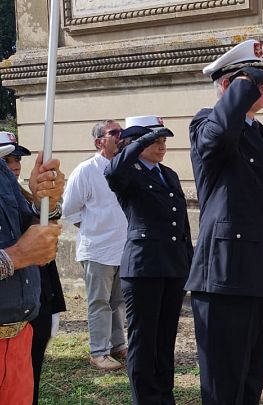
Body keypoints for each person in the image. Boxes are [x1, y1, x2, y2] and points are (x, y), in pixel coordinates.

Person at [188, 39, 263, 404]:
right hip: (225, 279)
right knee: (223, 389)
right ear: (229, 86)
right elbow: (217, 136)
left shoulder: (260, 134)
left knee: (248, 385)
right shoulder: (206, 124)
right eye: (254, 80)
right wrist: (241, 86)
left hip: (260, 274)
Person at [0, 68, 65, 405]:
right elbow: (22, 250)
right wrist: (15, 256)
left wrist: (46, 202)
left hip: (18, 343)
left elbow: (29, 229)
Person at [104, 116, 192, 404]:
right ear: (135, 143)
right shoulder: (128, 172)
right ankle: (145, 399)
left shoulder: (168, 174)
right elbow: (112, 170)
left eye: (163, 140)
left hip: (173, 265)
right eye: (154, 141)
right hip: (144, 267)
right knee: (144, 340)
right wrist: (139, 141)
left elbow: (182, 224)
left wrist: (189, 263)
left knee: (165, 339)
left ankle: (164, 396)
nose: (161, 145)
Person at [62, 119, 129, 371]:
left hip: (123, 248)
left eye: (122, 132)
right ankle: (99, 352)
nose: (121, 136)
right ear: (99, 141)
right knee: (99, 302)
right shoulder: (86, 170)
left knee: (117, 301)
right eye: (115, 132)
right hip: (98, 249)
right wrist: (94, 228)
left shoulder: (125, 167)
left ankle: (118, 345)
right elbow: (69, 210)